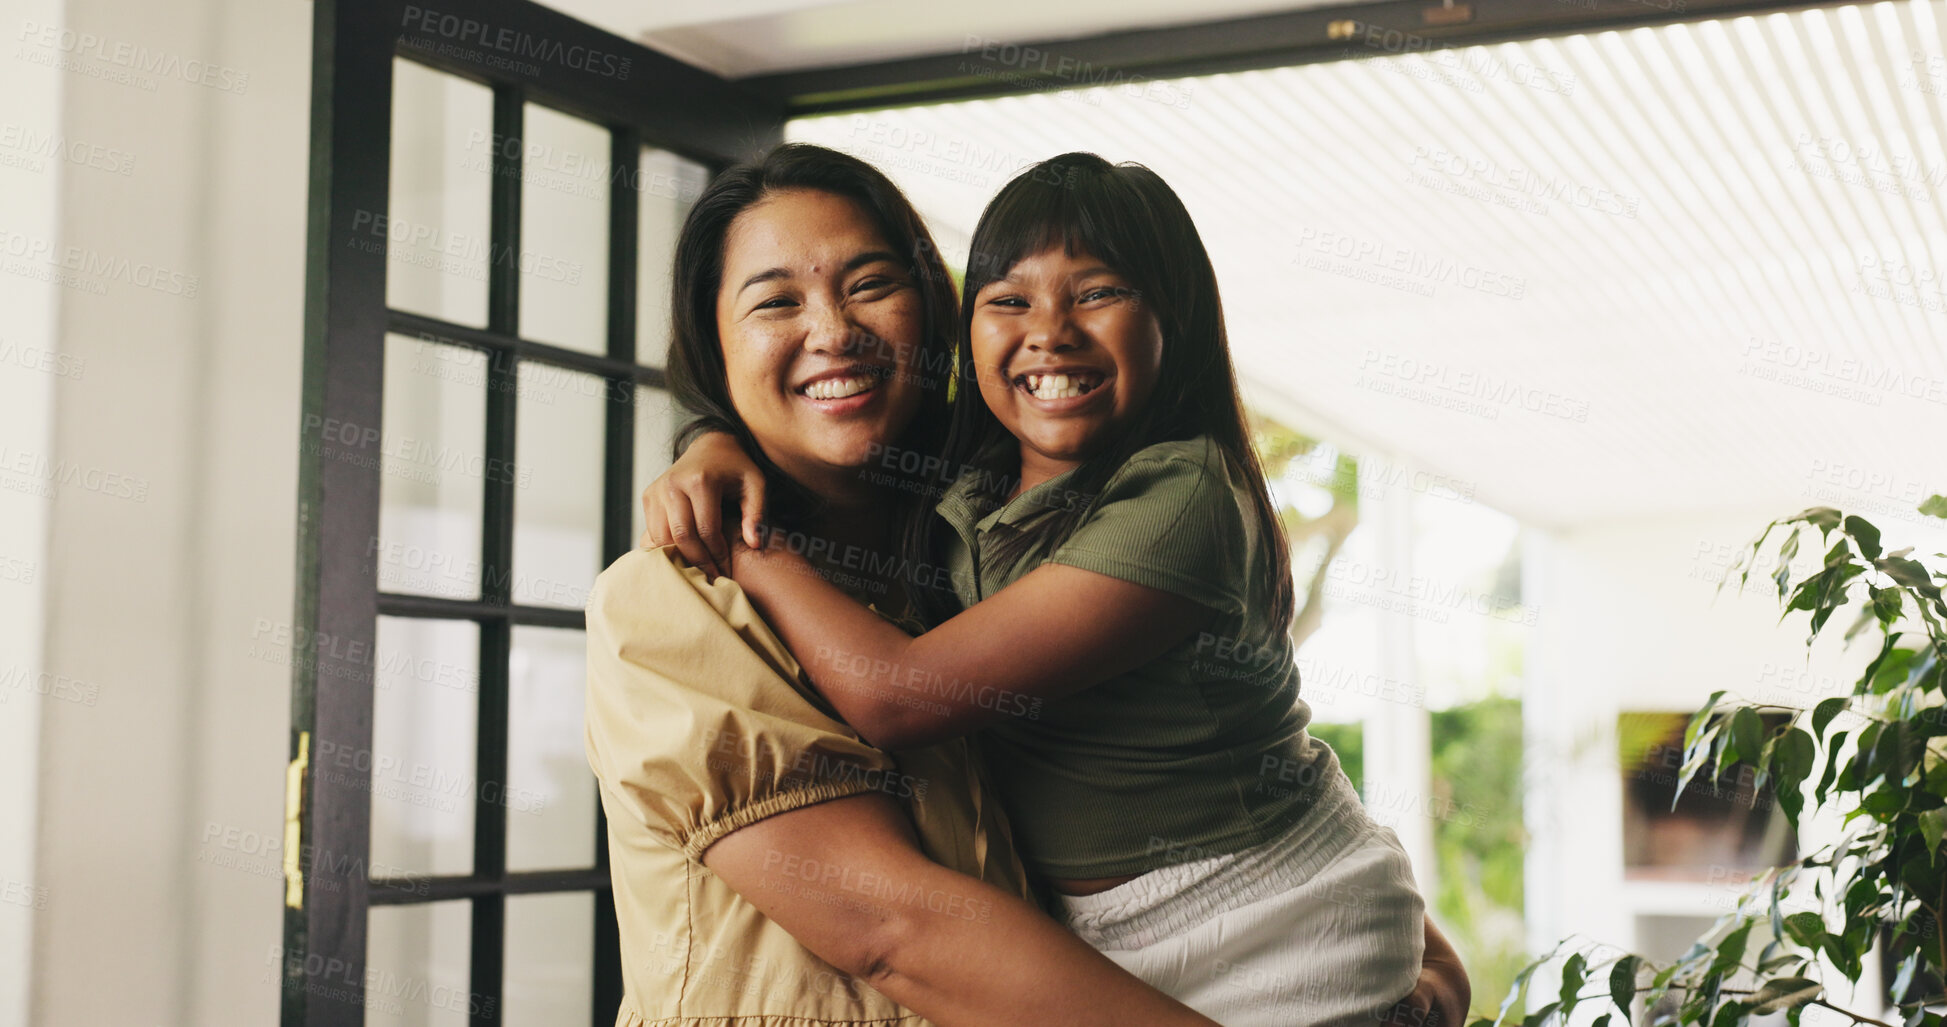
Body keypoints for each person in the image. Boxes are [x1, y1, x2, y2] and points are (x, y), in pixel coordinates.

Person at [654, 152, 1436, 1027]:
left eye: (1097, 292)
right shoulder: (974, 478)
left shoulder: (1180, 495)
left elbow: (900, 695)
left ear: (1172, 316)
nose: (1051, 331)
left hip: (1264, 916)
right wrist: (711, 441)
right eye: (1009, 299)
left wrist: (746, 538)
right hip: (1121, 939)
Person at [587, 142, 1223, 1027]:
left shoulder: (988, 548)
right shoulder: (675, 604)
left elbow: (1204, 750)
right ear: (715, 347)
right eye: (775, 302)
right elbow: (893, 930)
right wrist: (721, 470)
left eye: (870, 285)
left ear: (933, 312)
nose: (831, 330)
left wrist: (1366, 937)